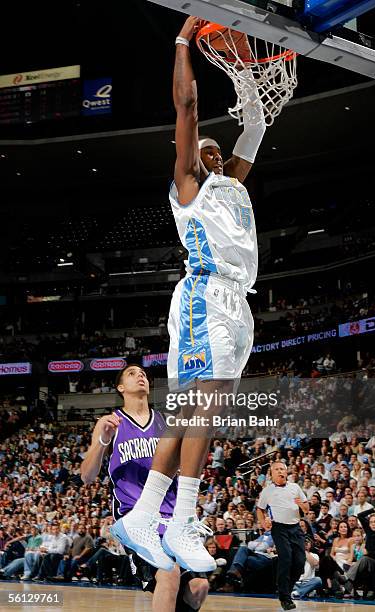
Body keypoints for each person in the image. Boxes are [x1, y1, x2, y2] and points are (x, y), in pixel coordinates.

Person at [111, 14, 266, 573]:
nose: (211, 151)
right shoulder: (189, 189)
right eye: (202, 149)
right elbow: (187, 109)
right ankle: (181, 519)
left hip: (234, 302)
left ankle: (145, 514)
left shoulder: (230, 185)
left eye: (215, 149)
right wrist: (182, 42)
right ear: (190, 163)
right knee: (205, 406)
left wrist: (249, 76)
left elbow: (254, 129)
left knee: (188, 413)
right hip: (205, 297)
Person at [81, 364, 209, 612]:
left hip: (171, 518)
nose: (140, 375)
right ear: (121, 388)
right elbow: (87, 476)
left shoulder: (165, 422)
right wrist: (102, 441)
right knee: (169, 574)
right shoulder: (111, 422)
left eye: (143, 374)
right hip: (137, 519)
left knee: (198, 587)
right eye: (132, 373)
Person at [256, 462, 309, 610]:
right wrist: (263, 522)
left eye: (282, 469)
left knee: (299, 561)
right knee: (285, 558)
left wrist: (303, 506)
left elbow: (306, 508)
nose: (280, 472)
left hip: (295, 527)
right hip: (279, 527)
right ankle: (284, 597)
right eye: (277, 469)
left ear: (286, 472)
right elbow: (260, 509)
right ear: (272, 474)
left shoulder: (295, 487)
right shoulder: (267, 491)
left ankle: (286, 589)